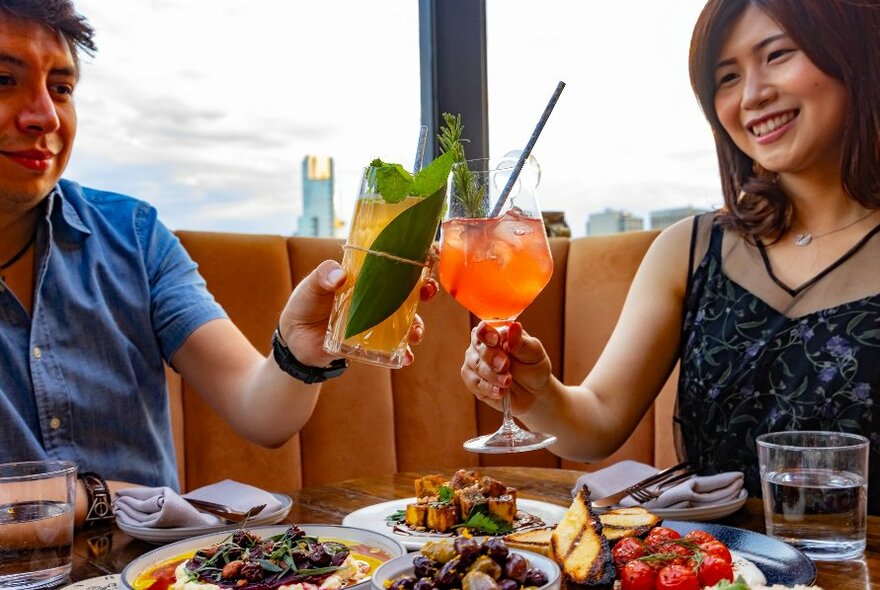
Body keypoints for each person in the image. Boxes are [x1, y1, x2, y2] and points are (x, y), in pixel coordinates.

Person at [0, 0, 431, 527]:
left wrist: (299, 349)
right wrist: (96, 496)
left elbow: (260, 410)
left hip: (155, 576)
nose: (44, 114)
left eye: (62, 88)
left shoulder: (133, 237)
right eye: (4, 79)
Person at [462, 0, 880, 515]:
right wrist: (537, 393)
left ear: (852, 53)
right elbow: (595, 426)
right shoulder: (689, 249)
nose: (752, 95)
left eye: (777, 55)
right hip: (718, 568)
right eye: (727, 78)